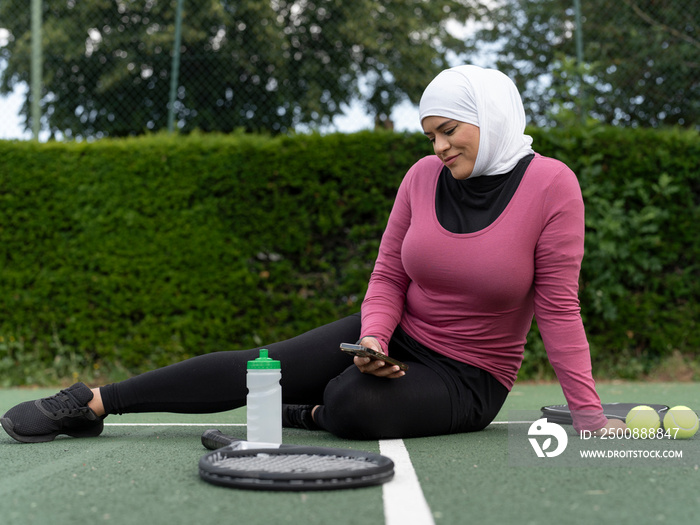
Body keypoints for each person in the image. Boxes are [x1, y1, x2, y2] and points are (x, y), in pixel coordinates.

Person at [1, 65, 624, 444]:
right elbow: (388, 274)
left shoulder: (552, 185)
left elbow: (559, 309)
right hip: (394, 336)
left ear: (487, 118)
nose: (437, 147)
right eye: (429, 135)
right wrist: (376, 339)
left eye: (448, 131)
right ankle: (90, 403)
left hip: (469, 376)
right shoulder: (420, 178)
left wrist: (590, 418)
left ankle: (316, 407)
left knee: (352, 402)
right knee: (258, 366)